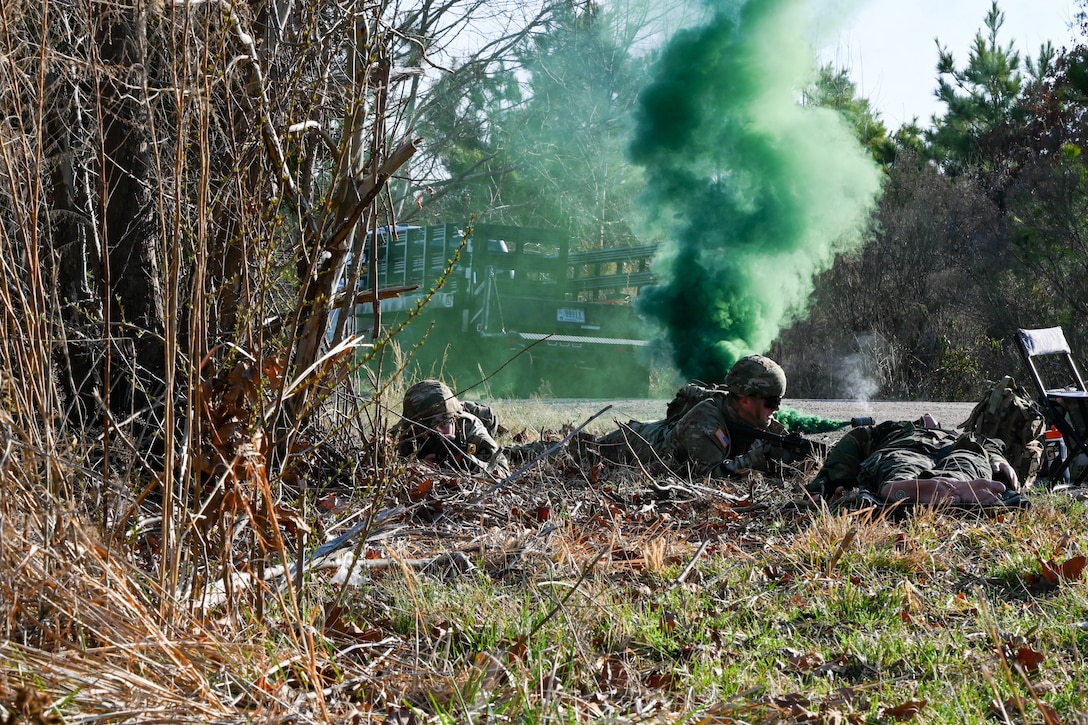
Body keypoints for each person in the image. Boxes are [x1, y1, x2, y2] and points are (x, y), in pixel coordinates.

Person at [594, 354, 806, 477]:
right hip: (628, 444)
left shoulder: (753, 416)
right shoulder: (705, 421)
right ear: (744, 399)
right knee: (587, 451)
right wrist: (757, 458)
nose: (776, 408)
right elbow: (709, 478)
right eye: (771, 401)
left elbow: (780, 444)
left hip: (649, 432)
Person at [807, 414, 1018, 506]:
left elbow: (854, 440)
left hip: (947, 449)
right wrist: (825, 485)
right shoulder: (897, 428)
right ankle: (954, 484)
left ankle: (904, 488)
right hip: (925, 448)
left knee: (902, 464)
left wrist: (825, 483)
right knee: (966, 463)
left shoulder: (953, 434)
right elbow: (857, 438)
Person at [396, 379, 510, 476]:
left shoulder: (469, 427)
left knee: (512, 452)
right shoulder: (403, 433)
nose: (438, 433)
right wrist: (415, 469)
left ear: (454, 419)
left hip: (479, 419)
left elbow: (503, 471)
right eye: (427, 429)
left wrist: (467, 461)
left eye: (443, 424)